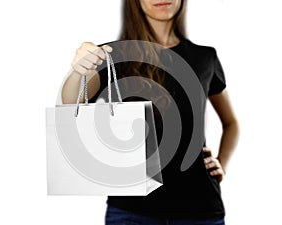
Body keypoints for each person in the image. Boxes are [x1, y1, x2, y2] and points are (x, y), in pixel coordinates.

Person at [62, 0, 239, 224]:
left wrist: (222, 161)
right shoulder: (113, 54)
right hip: (131, 210)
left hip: (200, 209)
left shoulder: (205, 57)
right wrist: (78, 71)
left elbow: (231, 122)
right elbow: (71, 105)